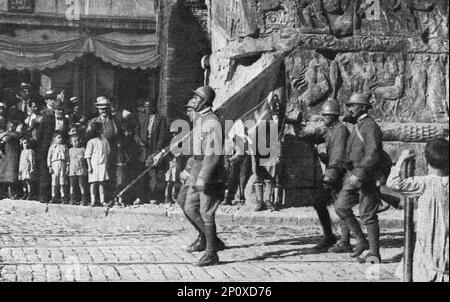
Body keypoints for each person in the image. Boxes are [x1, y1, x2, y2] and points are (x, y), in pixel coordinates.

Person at [387, 139, 449, 282]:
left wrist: (401, 159)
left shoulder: (423, 183)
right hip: (446, 241)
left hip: (426, 240)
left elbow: (393, 182)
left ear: (427, 162)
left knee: (424, 270)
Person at [294, 99, 351, 253]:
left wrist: (329, 177)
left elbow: (338, 156)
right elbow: (310, 135)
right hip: (333, 173)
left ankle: (344, 241)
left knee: (341, 207)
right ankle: (330, 236)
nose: (324, 117)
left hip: (340, 174)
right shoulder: (330, 128)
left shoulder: (340, 130)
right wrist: (295, 125)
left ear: (334, 116)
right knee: (321, 203)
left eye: (326, 115)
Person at [335, 92, 384, 262]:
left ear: (362, 107)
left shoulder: (370, 126)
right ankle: (361, 241)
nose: (349, 108)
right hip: (353, 175)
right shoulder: (358, 125)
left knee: (368, 215)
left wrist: (359, 174)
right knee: (341, 206)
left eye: (352, 105)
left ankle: (374, 252)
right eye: (348, 105)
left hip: (366, 176)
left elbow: (373, 153)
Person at [183, 86, 226, 267]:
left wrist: (203, 177)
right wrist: (189, 169)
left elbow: (213, 154)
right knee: (189, 206)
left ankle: (211, 254)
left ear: (203, 101)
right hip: (197, 168)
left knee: (206, 212)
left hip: (210, 172)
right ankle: (212, 241)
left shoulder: (212, 122)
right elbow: (196, 151)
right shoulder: (201, 120)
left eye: (196, 97)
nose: (193, 100)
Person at [37, 100, 69, 203]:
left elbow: (66, 134)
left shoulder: (65, 120)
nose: (60, 111)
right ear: (54, 110)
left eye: (62, 110)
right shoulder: (47, 120)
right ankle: (44, 196)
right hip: (48, 147)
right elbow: (40, 134)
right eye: (58, 109)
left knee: (59, 173)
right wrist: (43, 146)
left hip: (59, 148)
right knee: (46, 171)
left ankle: (58, 196)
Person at [138, 99, 169, 204]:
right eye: (145, 107)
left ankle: (153, 196)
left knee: (153, 172)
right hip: (143, 149)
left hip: (154, 147)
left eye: (149, 107)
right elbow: (136, 132)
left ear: (153, 107)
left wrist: (158, 150)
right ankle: (142, 196)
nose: (146, 109)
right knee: (142, 172)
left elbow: (162, 135)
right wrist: (139, 141)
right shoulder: (141, 118)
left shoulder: (161, 119)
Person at [85, 122, 111, 207]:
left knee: (102, 183)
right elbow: (88, 155)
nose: (102, 130)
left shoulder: (104, 140)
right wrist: (89, 166)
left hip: (102, 164)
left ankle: (102, 200)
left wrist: (106, 163)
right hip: (94, 165)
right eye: (101, 129)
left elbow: (108, 152)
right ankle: (93, 200)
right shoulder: (91, 142)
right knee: (93, 183)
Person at [47, 131, 69, 204]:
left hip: (62, 163)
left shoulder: (64, 147)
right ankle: (54, 196)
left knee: (62, 181)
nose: (60, 139)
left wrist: (67, 166)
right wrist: (50, 166)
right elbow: (49, 157)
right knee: (54, 181)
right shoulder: (52, 147)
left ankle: (63, 197)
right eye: (58, 137)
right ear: (54, 138)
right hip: (55, 164)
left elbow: (67, 158)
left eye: (61, 138)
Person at [68, 135, 89, 206]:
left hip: (81, 169)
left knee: (81, 185)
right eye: (75, 141)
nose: (77, 142)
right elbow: (68, 160)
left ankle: (83, 200)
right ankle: (72, 199)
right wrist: (67, 168)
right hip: (72, 170)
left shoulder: (83, 149)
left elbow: (86, 158)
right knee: (72, 185)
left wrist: (82, 158)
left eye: (78, 141)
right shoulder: (70, 150)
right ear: (71, 142)